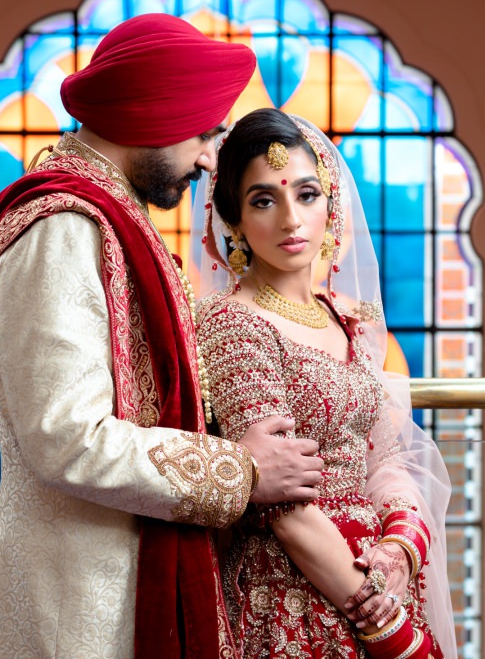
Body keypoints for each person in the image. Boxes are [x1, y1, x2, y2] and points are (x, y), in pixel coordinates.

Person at [0, 16, 325, 659]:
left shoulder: (107, 217)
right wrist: (238, 470)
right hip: (81, 609)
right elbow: (64, 437)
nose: (212, 157)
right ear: (156, 116)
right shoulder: (62, 230)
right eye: (207, 133)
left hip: (123, 584)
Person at [193, 108, 457, 658]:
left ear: (330, 203)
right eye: (264, 200)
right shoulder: (231, 323)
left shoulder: (351, 319)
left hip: (375, 577)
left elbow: (387, 456)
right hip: (294, 596)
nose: (291, 219)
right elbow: (282, 503)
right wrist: (379, 619)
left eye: (307, 194)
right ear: (234, 220)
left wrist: (400, 548)